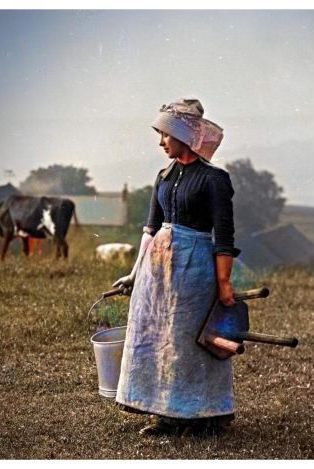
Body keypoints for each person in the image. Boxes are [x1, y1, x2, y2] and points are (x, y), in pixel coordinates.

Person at [111, 99, 240, 436]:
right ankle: (165, 413)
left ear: (183, 136)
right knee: (158, 340)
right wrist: (135, 272)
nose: (161, 142)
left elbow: (224, 236)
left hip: (195, 270)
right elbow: (150, 229)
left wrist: (224, 282)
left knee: (187, 342)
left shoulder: (214, 180)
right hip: (158, 270)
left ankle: (202, 416)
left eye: (165, 135)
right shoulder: (164, 177)